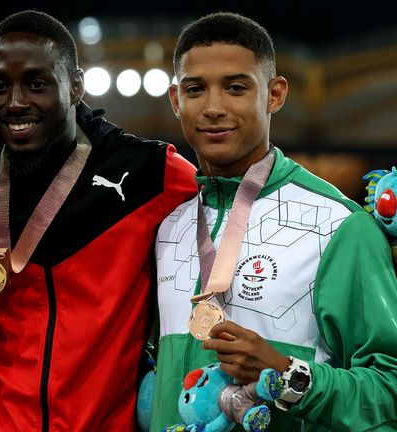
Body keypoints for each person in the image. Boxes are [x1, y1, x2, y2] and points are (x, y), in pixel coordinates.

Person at [0, 9, 198, 431]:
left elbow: (230, 206)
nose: (15, 102)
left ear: (75, 86)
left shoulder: (149, 173)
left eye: (36, 83)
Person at [150, 11, 397, 431]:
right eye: (196, 89)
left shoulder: (339, 226)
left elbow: (388, 391)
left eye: (235, 88)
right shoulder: (169, 227)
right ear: (176, 101)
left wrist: (286, 374)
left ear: (275, 94)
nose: (213, 107)